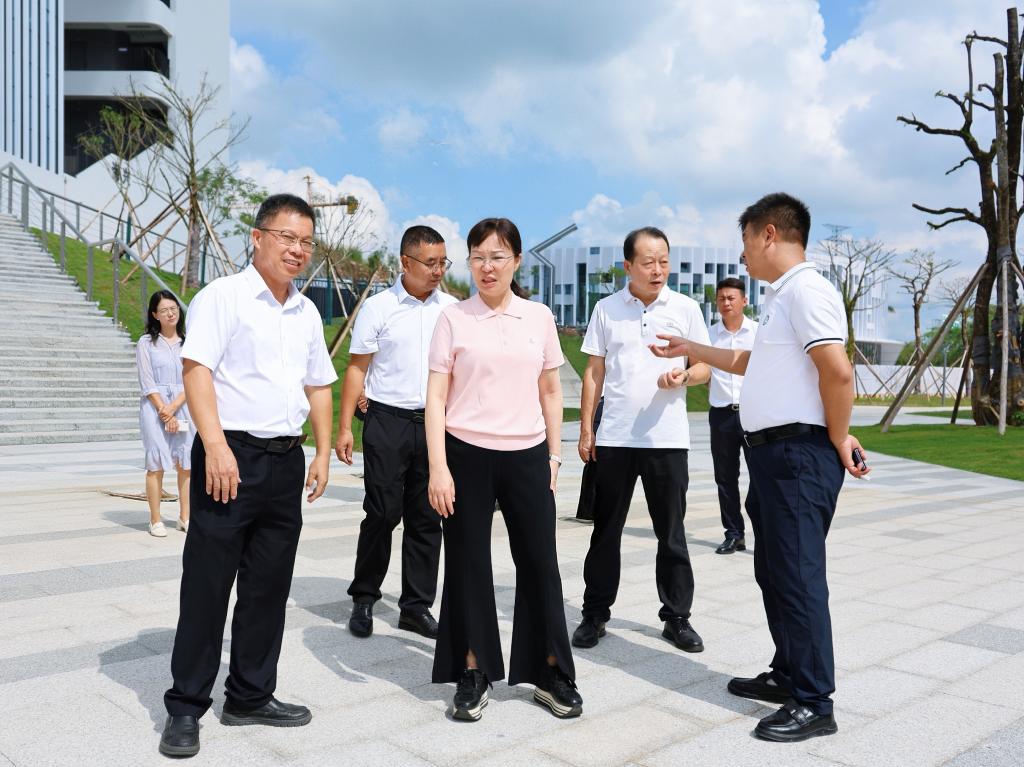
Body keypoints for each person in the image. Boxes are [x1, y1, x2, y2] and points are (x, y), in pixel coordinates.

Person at [651, 192, 869, 743]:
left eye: (746, 239)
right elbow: (750, 361)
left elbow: (838, 372)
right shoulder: (781, 298)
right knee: (773, 571)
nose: (743, 252)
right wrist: (692, 347)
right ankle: (789, 672)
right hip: (772, 454)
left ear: (769, 233)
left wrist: (838, 435)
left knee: (797, 575)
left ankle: (815, 702)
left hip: (799, 454)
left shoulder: (808, 291)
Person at [159, 194, 337, 758]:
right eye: (288, 237)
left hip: (285, 461)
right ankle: (186, 706)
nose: (298, 249)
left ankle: (251, 695)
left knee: (268, 587)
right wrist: (214, 445)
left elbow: (319, 385)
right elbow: (196, 371)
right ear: (257, 237)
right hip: (230, 457)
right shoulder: (223, 297)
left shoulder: (306, 312)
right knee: (207, 585)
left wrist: (322, 451)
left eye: (307, 242)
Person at [425, 217, 581, 722]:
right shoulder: (453, 318)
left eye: (497, 257)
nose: (487, 267)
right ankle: (473, 669)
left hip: (528, 454)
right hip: (465, 453)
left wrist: (554, 456)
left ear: (515, 260)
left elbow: (551, 391)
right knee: (468, 563)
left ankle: (551, 671)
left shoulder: (538, 317)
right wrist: (438, 468)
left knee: (540, 563)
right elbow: (435, 397)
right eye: (478, 257)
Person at [572, 226, 711, 654]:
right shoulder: (606, 309)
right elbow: (594, 371)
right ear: (628, 265)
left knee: (671, 533)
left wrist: (684, 376)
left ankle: (677, 617)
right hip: (615, 436)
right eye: (648, 262)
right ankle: (595, 614)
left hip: (667, 439)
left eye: (664, 261)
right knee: (605, 531)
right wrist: (586, 428)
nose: (657, 270)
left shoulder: (686, 308)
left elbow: (705, 366)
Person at [336, 225, 457, 640]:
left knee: (428, 517)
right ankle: (364, 596)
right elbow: (357, 368)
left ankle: (416, 607)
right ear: (406, 262)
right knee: (383, 513)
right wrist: (344, 427)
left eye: (443, 262)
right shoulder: (378, 308)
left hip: (436, 424)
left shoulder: (452, 310)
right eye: (430, 263)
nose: (438, 270)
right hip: (387, 421)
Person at [706, 277, 758, 554]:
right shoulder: (709, 335)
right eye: (721, 298)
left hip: (754, 414)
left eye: (731, 298)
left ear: (744, 301)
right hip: (721, 415)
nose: (726, 303)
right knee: (725, 477)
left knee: (760, 475)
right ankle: (734, 534)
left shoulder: (759, 333)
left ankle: (763, 532)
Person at [136, 290, 193, 537]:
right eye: (164, 310)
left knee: (186, 463)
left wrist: (174, 407)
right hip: (154, 408)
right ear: (154, 315)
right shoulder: (146, 343)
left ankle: (185, 517)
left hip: (184, 406)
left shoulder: (189, 342)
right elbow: (147, 381)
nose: (170, 313)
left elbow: (193, 379)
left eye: (173, 308)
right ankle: (155, 520)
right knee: (156, 463)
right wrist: (164, 410)